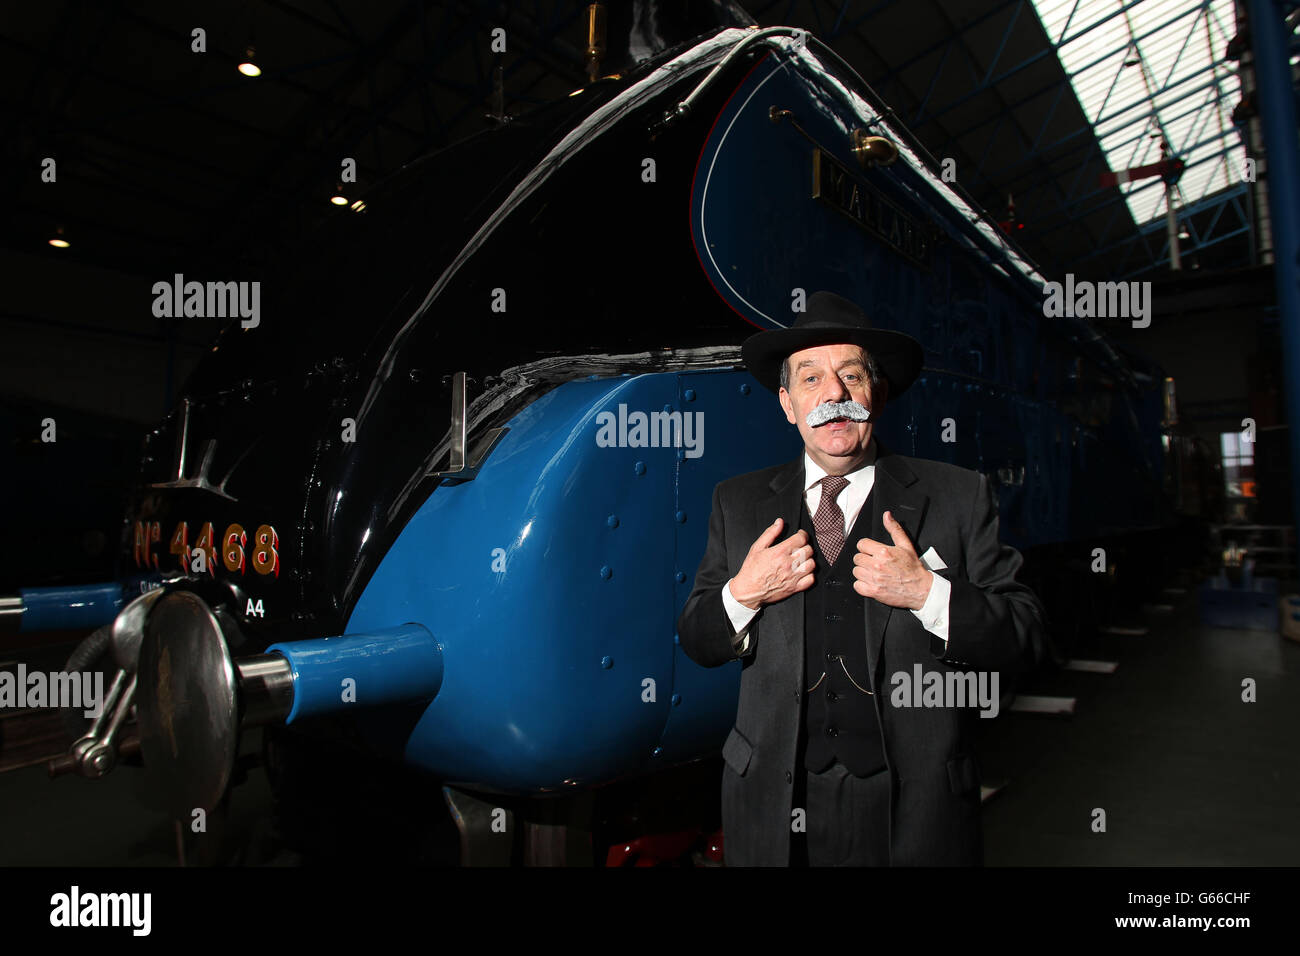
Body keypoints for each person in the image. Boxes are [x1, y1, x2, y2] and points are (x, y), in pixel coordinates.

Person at [677, 291, 1046, 866]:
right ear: (787, 403)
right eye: (810, 379)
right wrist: (743, 593)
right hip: (776, 807)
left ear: (877, 393)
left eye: (851, 375)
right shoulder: (738, 504)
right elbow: (697, 640)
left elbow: (1025, 637)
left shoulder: (957, 495)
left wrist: (929, 594)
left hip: (914, 810)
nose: (834, 396)